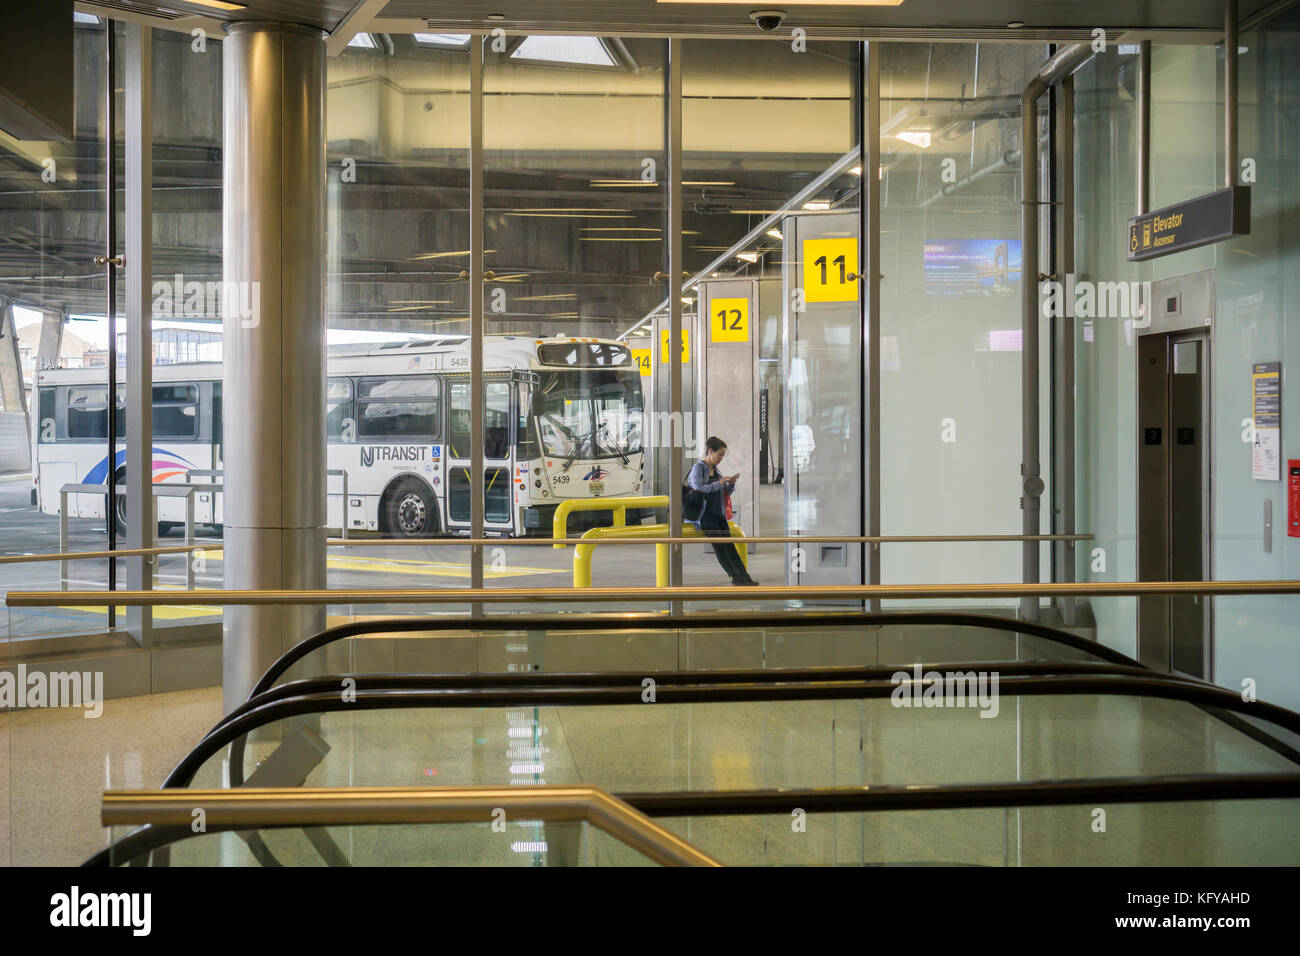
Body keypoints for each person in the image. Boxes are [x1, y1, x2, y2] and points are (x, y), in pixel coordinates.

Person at [686, 436, 759, 586]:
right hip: (704, 515)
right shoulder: (698, 468)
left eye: (723, 456)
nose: (721, 458)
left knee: (729, 545)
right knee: (721, 548)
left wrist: (730, 485)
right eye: (719, 455)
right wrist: (719, 483)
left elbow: (721, 492)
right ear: (710, 451)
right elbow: (698, 488)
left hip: (717, 513)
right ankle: (736, 577)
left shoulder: (715, 470)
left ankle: (745, 576)